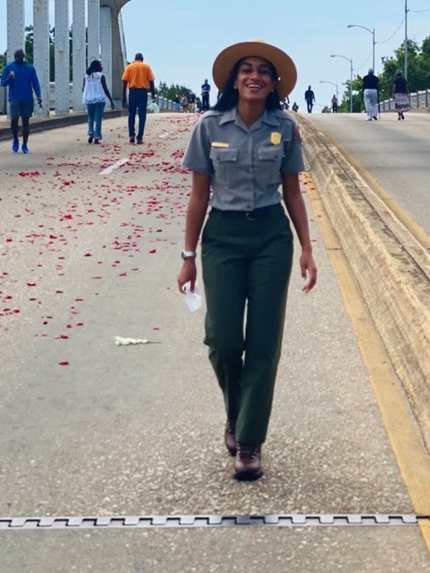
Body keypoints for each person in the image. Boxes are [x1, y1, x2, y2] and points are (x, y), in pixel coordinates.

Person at [177, 40, 317, 481]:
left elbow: (292, 190)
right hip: (222, 237)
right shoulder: (209, 127)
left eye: (263, 72)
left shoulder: (285, 127)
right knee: (221, 341)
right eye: (246, 70)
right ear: (234, 80)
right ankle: (236, 413)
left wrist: (308, 248)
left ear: (274, 84)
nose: (254, 76)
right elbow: (199, 195)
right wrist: (188, 257)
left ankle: (250, 442)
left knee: (263, 342)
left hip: (271, 236)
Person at [0, 49, 42, 154]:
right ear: (15, 57)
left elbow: (35, 83)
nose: (18, 59)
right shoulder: (9, 68)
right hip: (14, 98)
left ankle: (24, 144)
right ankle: (15, 139)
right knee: (14, 119)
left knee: (25, 122)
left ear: (23, 57)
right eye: (16, 57)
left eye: (19, 57)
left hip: (27, 98)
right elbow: (3, 83)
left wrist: (38, 95)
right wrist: (9, 78)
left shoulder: (30, 68)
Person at [121, 53, 156, 144]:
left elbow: (124, 83)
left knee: (131, 114)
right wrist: (153, 95)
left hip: (132, 92)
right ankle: (139, 137)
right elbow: (151, 82)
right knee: (142, 115)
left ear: (135, 59)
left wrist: (123, 96)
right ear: (142, 59)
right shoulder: (146, 67)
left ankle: (132, 134)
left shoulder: (129, 67)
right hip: (142, 92)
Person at [82, 60, 115, 144]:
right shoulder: (101, 76)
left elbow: (83, 89)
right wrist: (111, 100)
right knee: (98, 119)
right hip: (100, 100)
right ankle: (97, 137)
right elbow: (105, 89)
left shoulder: (86, 76)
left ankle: (90, 132)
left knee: (90, 117)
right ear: (98, 67)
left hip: (89, 100)